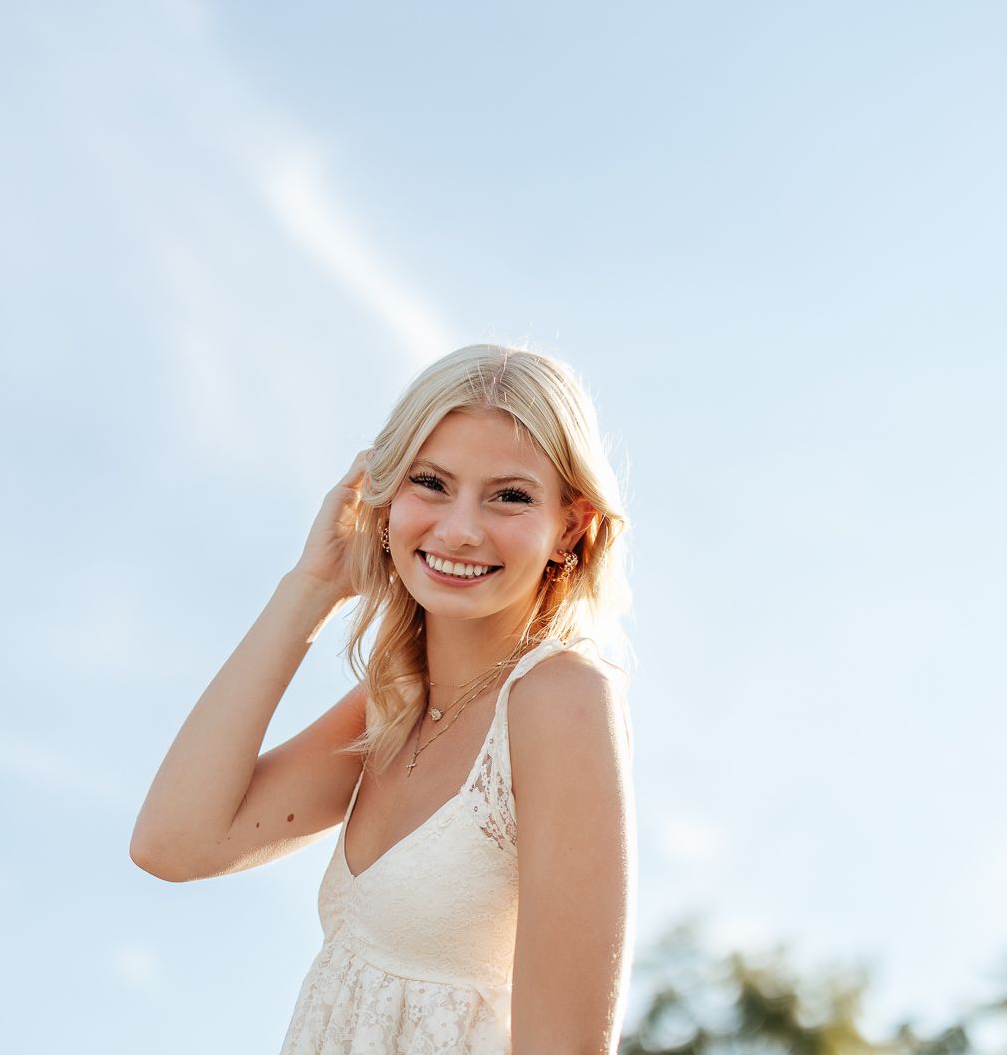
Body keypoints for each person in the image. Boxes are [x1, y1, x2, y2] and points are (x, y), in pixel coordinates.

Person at [130, 343, 635, 1054]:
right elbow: (173, 844)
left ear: (570, 528)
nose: (460, 528)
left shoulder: (561, 698)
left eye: (510, 495)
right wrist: (311, 587)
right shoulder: (395, 704)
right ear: (382, 493)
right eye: (431, 482)